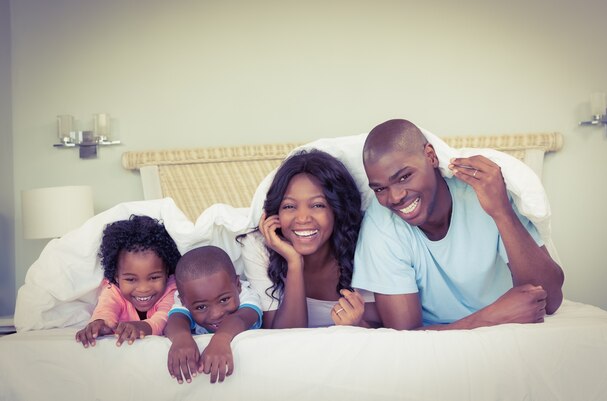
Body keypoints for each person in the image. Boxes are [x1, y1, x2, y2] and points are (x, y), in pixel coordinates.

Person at [352, 119, 565, 330]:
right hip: (481, 326)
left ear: (430, 156)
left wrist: (501, 212)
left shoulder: (483, 193)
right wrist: (491, 317)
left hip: (511, 321)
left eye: (404, 177)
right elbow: (406, 335)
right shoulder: (380, 223)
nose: (395, 197)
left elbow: (551, 299)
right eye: (380, 189)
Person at [240, 149, 381, 329]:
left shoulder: (368, 242)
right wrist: (294, 263)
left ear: (337, 210)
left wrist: (358, 324)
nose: (303, 218)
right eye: (289, 206)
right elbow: (280, 338)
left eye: (317, 205)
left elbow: (392, 329)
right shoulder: (259, 247)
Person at [75, 214, 180, 347]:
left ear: (166, 272)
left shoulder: (172, 289)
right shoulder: (112, 290)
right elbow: (106, 310)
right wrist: (99, 324)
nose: (143, 288)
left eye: (154, 277)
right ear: (116, 277)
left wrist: (141, 327)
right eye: (131, 279)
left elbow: (163, 318)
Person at [164, 245, 263, 384]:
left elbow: (241, 318)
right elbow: (175, 321)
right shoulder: (188, 296)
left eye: (224, 300)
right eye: (201, 307)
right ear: (183, 301)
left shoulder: (247, 295)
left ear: (238, 285)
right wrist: (181, 338)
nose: (216, 314)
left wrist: (221, 339)